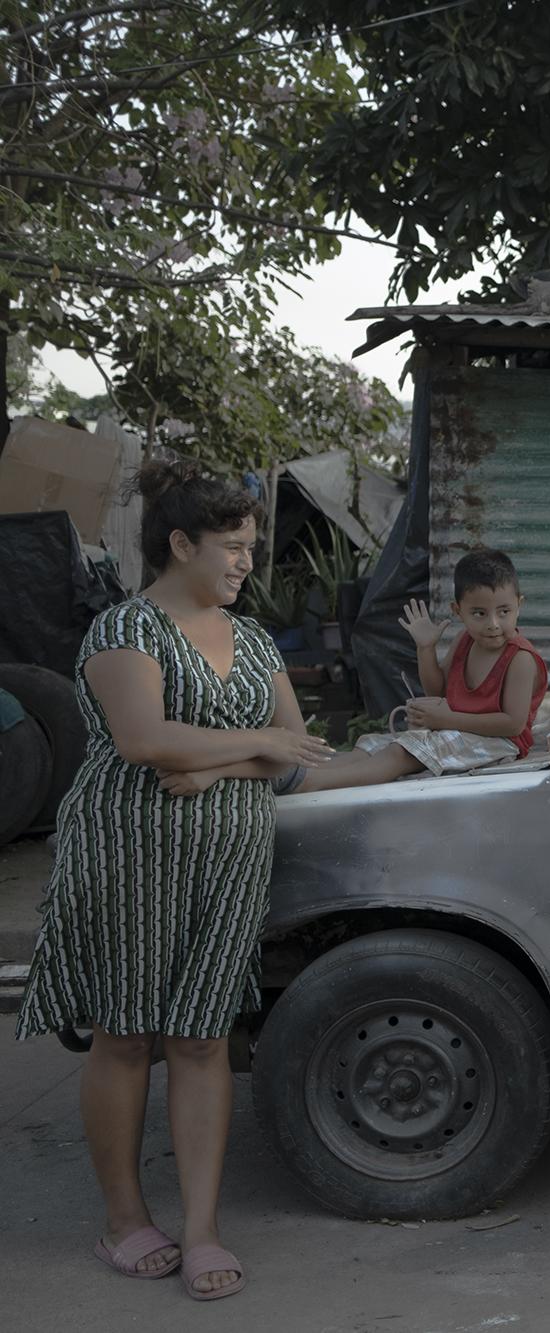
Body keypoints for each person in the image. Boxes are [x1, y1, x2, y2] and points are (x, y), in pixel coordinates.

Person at [15, 460, 334, 1302]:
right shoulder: (126, 630)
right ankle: (124, 1218)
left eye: (251, 547)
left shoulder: (256, 639)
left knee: (199, 1038)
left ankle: (200, 1228)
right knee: (126, 1035)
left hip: (230, 859)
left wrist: (217, 764)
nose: (244, 562)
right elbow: (144, 742)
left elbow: (296, 749)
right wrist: (242, 748)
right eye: (231, 547)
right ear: (182, 543)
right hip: (129, 853)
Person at [289, 548, 549, 790]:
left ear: (519, 605)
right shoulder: (465, 641)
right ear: (458, 611)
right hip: (458, 731)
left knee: (401, 753)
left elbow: (513, 725)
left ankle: (308, 785)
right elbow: (437, 689)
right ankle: (292, 774)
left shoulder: (520, 659)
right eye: (479, 614)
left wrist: (445, 720)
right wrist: (426, 649)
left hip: (500, 744)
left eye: (504, 611)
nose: (493, 624)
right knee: (371, 747)